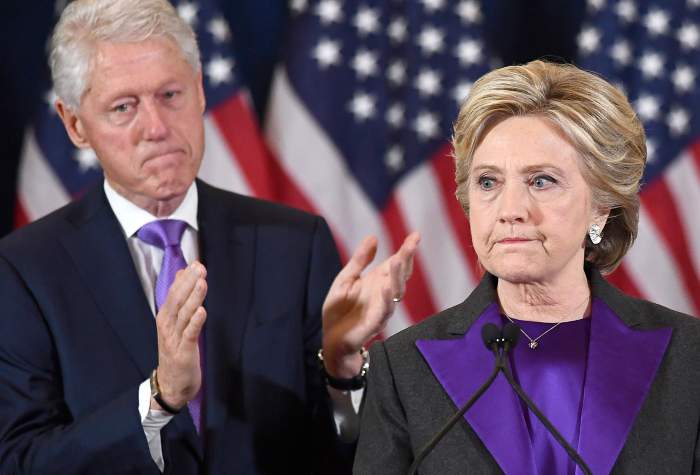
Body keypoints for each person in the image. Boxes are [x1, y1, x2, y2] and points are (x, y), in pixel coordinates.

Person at [0, 1, 419, 474]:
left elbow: (342, 456)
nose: (157, 128)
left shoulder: (294, 245)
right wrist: (158, 400)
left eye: (171, 95)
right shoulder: (24, 271)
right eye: (124, 107)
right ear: (75, 124)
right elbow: (21, 462)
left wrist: (340, 370)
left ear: (200, 91)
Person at [354, 60, 700, 474]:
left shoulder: (689, 357)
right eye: (488, 182)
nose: (510, 210)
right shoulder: (404, 366)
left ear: (601, 207)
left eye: (541, 181)